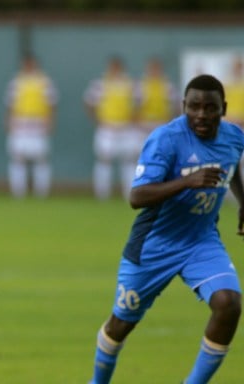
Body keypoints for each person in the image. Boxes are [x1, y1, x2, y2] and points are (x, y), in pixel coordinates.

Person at [88, 74, 244, 384]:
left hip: (201, 241)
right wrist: (188, 180)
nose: (201, 114)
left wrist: (242, 200)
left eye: (210, 108)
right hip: (154, 245)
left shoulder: (234, 136)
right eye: (194, 107)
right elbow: (137, 197)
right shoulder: (166, 139)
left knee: (229, 304)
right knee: (120, 326)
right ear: (183, 106)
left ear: (222, 109)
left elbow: (232, 164)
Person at [4, 53, 58, 198]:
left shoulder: (44, 82)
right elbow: (10, 105)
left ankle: (41, 193)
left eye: (31, 63)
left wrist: (50, 122)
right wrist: (8, 122)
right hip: (20, 124)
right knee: (18, 158)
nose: (28, 66)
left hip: (38, 124)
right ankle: (18, 193)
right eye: (26, 64)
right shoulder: (16, 82)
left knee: (41, 159)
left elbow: (52, 104)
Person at [84, 56, 139, 200]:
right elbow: (89, 102)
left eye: (117, 67)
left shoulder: (130, 84)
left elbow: (139, 103)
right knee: (104, 159)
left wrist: (133, 118)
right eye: (112, 67)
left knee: (128, 161)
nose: (114, 70)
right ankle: (102, 194)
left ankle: (130, 194)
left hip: (126, 128)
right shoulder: (100, 84)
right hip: (107, 128)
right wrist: (98, 121)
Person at [135, 57, 179, 144]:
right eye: (152, 68)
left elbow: (176, 106)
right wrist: (139, 123)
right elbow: (134, 107)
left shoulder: (167, 86)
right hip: (144, 126)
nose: (154, 71)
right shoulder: (140, 85)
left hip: (161, 124)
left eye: (157, 68)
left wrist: (170, 122)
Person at [225, 55, 244, 128]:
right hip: (230, 120)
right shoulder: (227, 84)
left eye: (239, 67)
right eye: (235, 67)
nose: (237, 69)